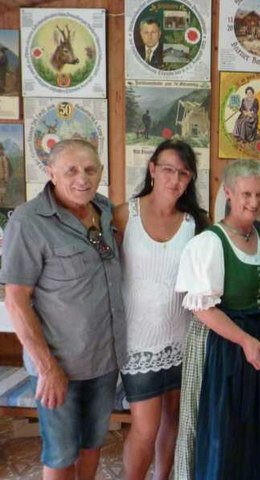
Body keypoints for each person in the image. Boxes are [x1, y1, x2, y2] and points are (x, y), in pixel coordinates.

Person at [0, 139, 126, 480]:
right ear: (51, 172)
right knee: (60, 454)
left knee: (92, 444)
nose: (82, 178)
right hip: (59, 367)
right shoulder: (29, 222)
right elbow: (16, 300)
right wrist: (47, 368)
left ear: (100, 171)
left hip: (103, 361)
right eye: (71, 170)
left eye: (90, 170)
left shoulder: (104, 210)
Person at [174, 160, 260, 480]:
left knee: (258, 426)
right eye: (246, 194)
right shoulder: (208, 243)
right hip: (224, 346)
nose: (254, 202)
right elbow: (202, 308)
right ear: (228, 193)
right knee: (223, 428)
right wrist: (246, 341)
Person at [113, 140, 208, 480]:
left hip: (182, 338)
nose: (175, 179)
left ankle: (162, 476)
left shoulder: (195, 223)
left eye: (183, 173)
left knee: (174, 418)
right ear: (152, 169)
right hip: (139, 342)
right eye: (168, 169)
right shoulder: (124, 215)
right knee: (145, 427)